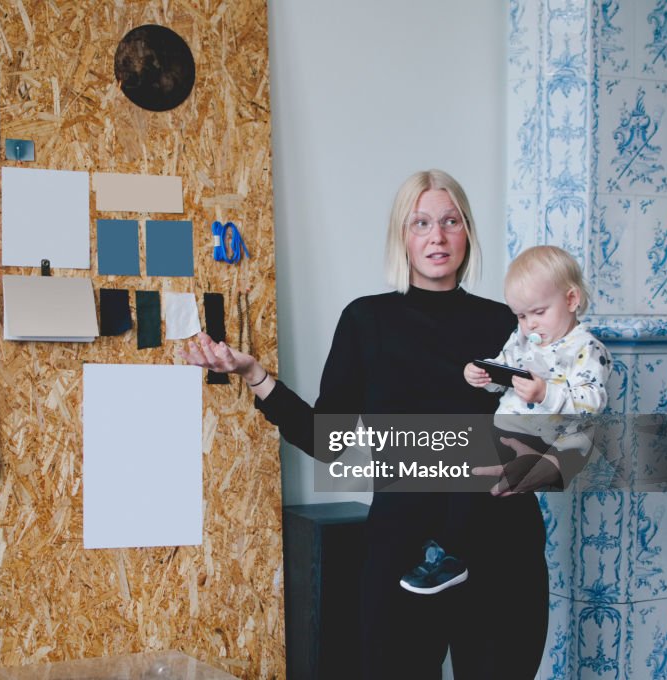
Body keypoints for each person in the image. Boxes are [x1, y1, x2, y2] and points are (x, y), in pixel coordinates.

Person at [182, 169, 555, 678]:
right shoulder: (366, 322)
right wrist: (255, 375)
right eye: (420, 222)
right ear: (402, 236)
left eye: (451, 221)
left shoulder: (508, 324)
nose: (437, 236)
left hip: (501, 553)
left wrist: (537, 464)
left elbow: (566, 428)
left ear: (468, 231)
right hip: (404, 554)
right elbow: (328, 441)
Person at [399, 245, 611, 596]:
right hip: (505, 429)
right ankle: (446, 549)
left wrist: (545, 394)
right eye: (521, 316)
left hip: (540, 439)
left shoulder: (587, 350)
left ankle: (450, 554)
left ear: (571, 299)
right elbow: (506, 366)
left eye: (538, 313)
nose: (530, 325)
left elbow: (592, 403)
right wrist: (483, 373)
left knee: (475, 475)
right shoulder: (527, 338)